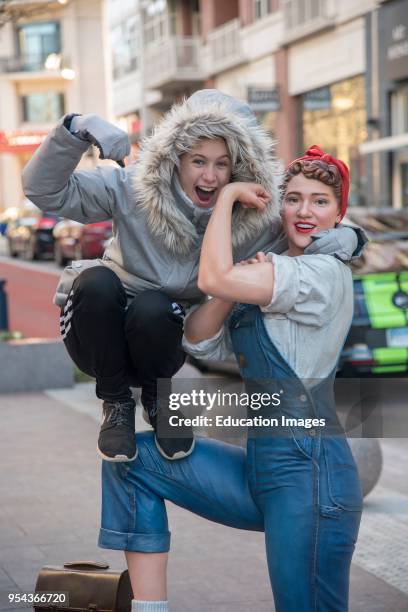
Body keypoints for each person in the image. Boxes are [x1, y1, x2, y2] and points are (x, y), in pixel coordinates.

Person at [22, 91, 364, 464]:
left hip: (163, 339)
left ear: (239, 166)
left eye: (222, 164)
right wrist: (77, 128)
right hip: (99, 331)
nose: (210, 176)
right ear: (176, 158)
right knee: (96, 281)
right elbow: (44, 190)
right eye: (198, 161)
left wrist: (350, 235)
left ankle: (157, 401)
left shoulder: (255, 212)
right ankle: (116, 405)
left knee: (154, 306)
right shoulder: (133, 187)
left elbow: (307, 215)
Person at [98, 146, 363, 612]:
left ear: (339, 214)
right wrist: (236, 280)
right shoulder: (270, 274)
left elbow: (211, 276)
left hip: (312, 475)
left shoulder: (322, 273)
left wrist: (224, 202)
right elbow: (197, 336)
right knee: (132, 462)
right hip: (261, 469)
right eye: (294, 198)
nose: (304, 211)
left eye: (320, 201)